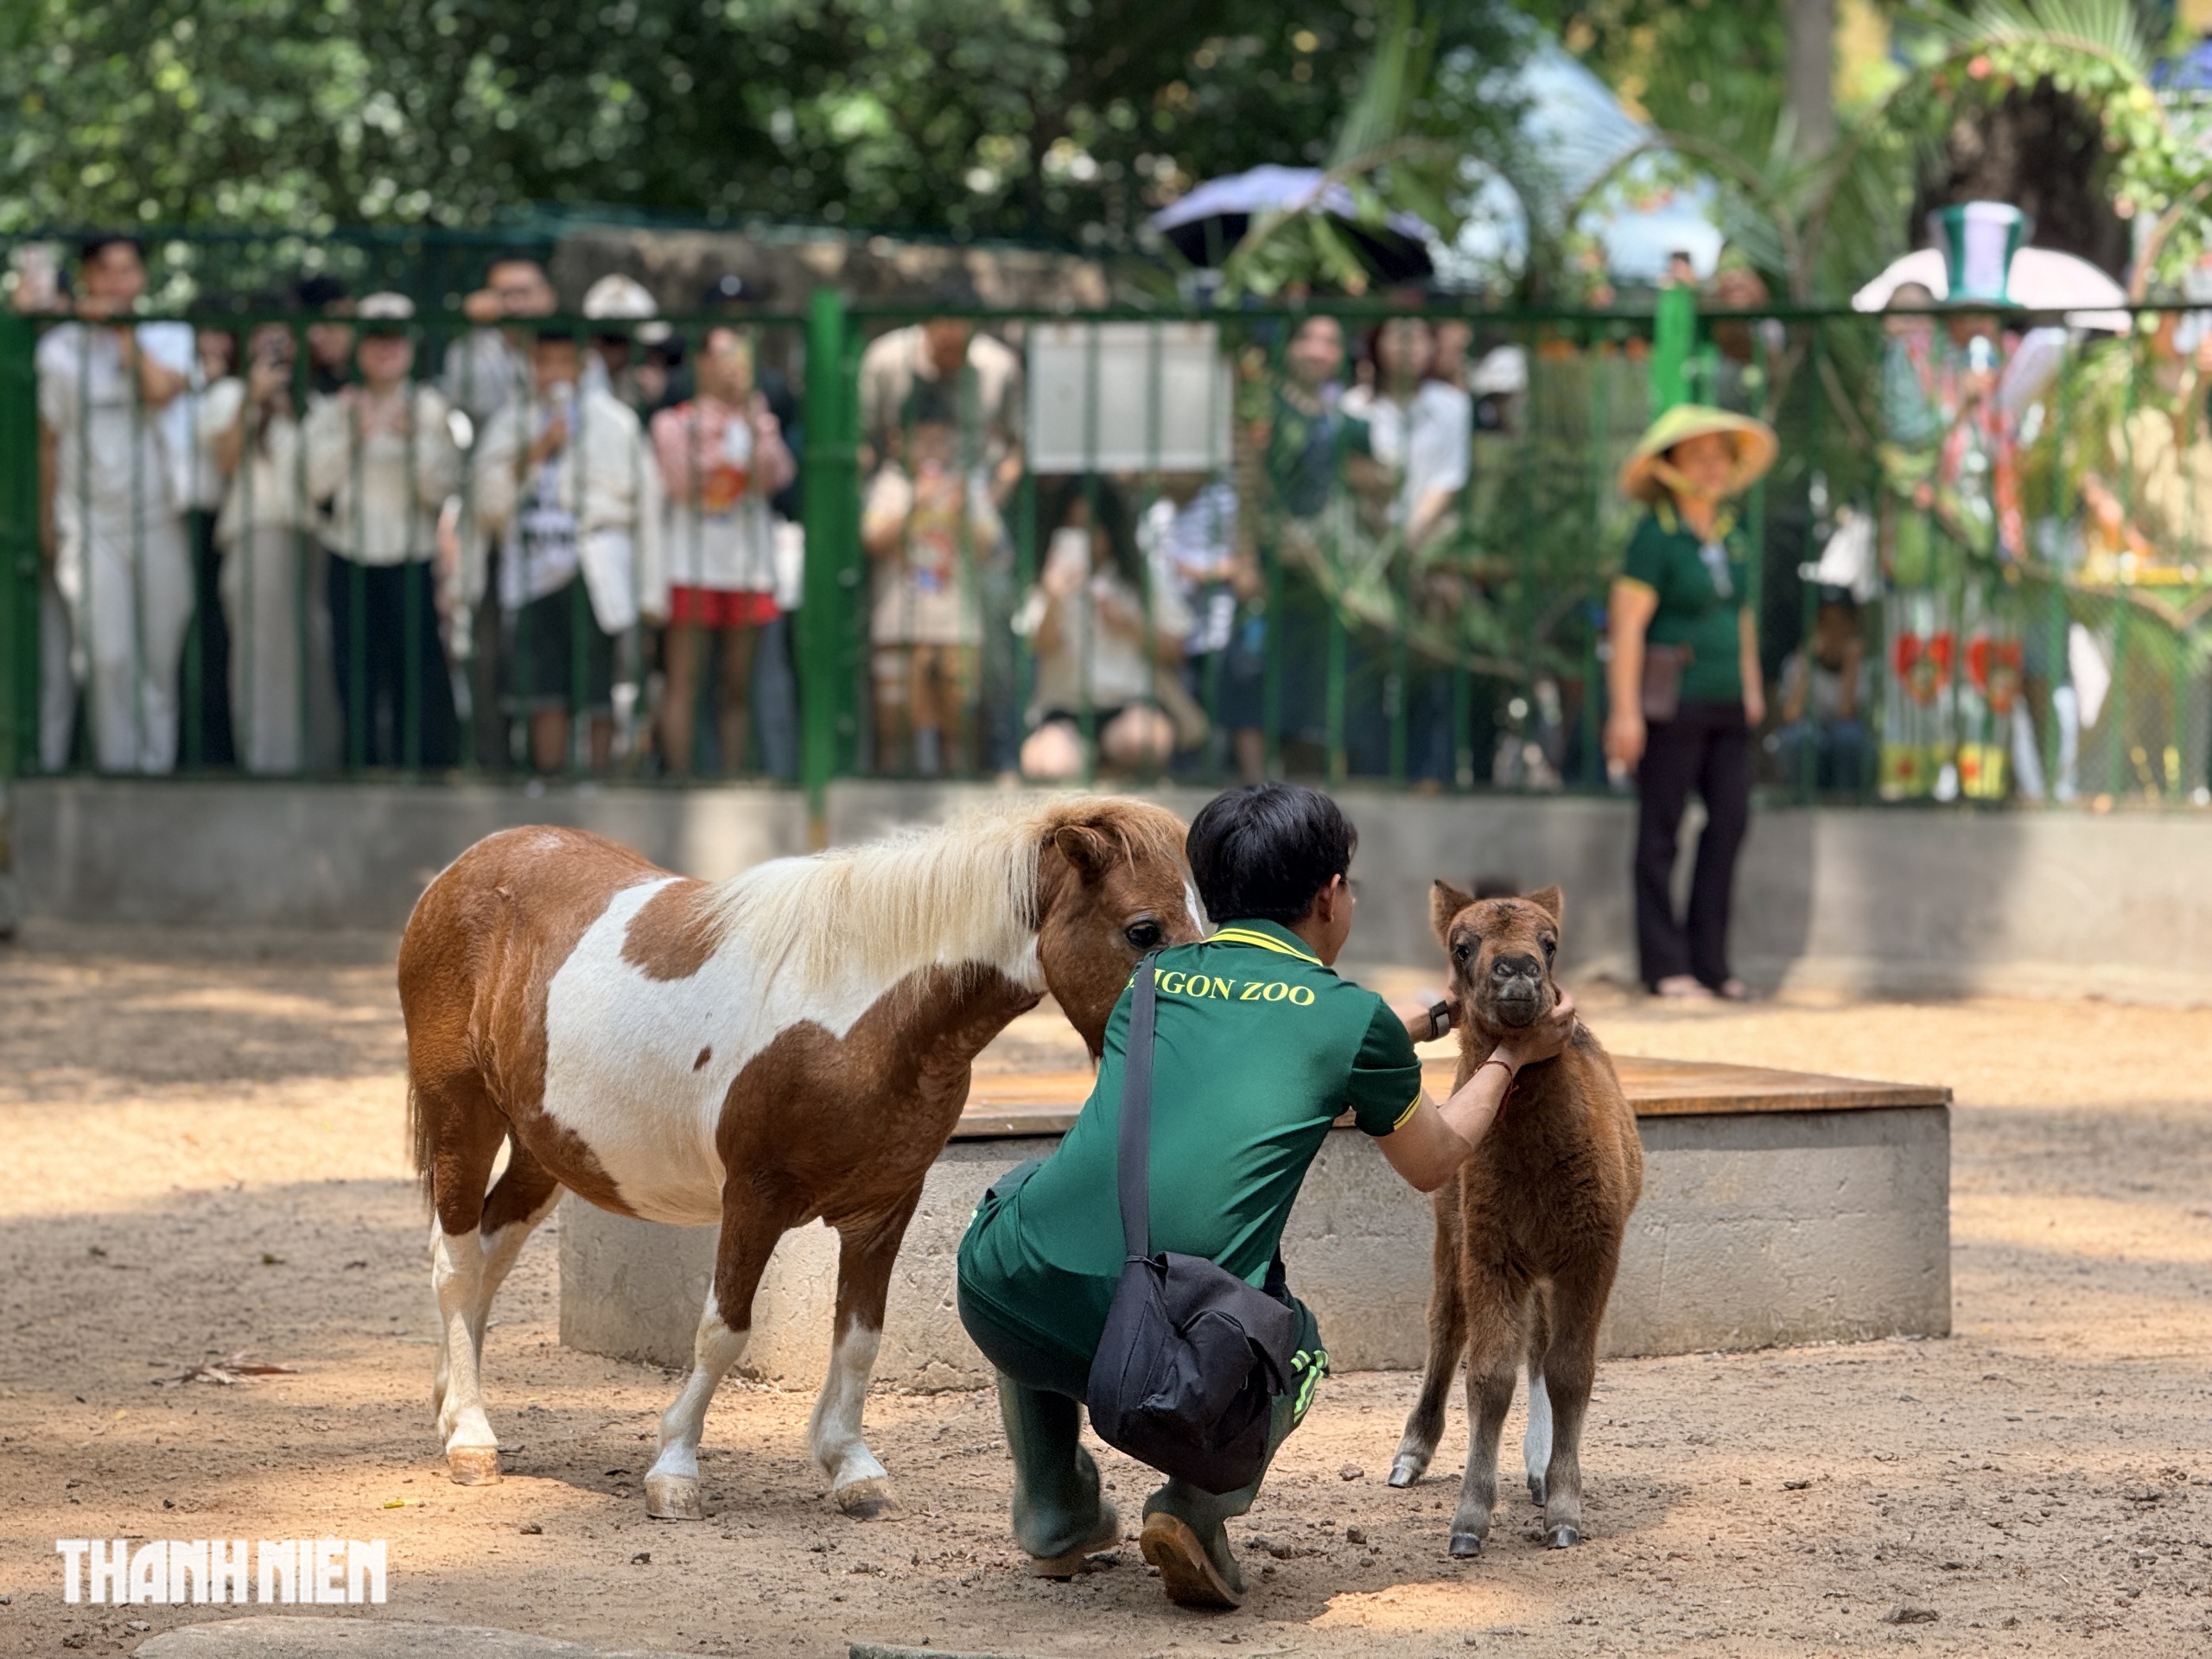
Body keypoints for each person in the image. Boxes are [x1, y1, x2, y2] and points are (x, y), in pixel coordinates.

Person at [956, 783, 1577, 1607]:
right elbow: (1436, 1158)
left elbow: (1272, 1028)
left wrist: (1434, 1016)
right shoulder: (1346, 1020)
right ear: (1328, 898)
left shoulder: (1151, 978)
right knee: (1300, 1348)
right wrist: (1511, 1057)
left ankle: (1056, 1513)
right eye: (1347, 884)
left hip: (1000, 1293)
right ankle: (1192, 1510)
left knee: (1035, 1218)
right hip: (1161, 1349)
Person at [1603, 404, 1777, 1001]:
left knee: (1729, 822)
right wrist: (1624, 712)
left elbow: (1742, 615)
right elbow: (1627, 627)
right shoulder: (1656, 535)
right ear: (1670, 466)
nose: (1711, 467)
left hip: (1727, 705)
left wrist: (1753, 688)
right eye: (1697, 456)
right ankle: (1664, 965)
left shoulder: (1733, 534)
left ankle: (1710, 961)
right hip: (1670, 704)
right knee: (1662, 832)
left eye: (1719, 455)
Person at [470, 327, 665, 774]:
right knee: (543, 687)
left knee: (598, 683)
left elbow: (648, 509)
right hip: (532, 573)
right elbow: (485, 504)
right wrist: (538, 449)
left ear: (582, 366)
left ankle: (596, 778)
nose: (554, 373)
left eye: (564, 362)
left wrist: (651, 594)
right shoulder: (510, 422)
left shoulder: (617, 423)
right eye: (544, 362)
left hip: (595, 571)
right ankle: (550, 778)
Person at [35, 234, 196, 772]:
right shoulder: (57, 350)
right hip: (88, 524)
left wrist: (123, 334)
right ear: (86, 278)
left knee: (158, 659)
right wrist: (47, 525)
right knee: (106, 658)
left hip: (159, 519)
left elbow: (158, 389)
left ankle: (155, 774)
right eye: (105, 272)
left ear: (142, 279)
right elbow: (48, 442)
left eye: (127, 271)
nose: (116, 284)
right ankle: (118, 774)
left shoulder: (169, 335)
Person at [304, 293, 464, 769]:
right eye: (375, 338)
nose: (385, 349)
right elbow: (313, 484)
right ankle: (363, 767)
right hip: (349, 553)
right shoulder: (335, 410)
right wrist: (355, 433)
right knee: (355, 673)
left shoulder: (432, 409)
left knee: (418, 673)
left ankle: (426, 768)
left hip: (410, 554)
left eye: (395, 338)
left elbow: (443, 486)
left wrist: (414, 438)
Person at [648, 327, 794, 777]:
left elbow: (778, 476)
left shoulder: (760, 420)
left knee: (736, 684)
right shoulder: (674, 423)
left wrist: (755, 430)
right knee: (685, 680)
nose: (737, 368)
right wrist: (721, 450)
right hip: (692, 567)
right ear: (703, 365)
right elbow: (684, 485)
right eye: (727, 357)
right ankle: (683, 778)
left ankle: (729, 779)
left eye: (744, 358)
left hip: (747, 569)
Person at [200, 318, 339, 773]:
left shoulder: (316, 402)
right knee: (263, 661)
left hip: (313, 539)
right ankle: (269, 767)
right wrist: (252, 399)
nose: (275, 346)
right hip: (258, 533)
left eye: (284, 336)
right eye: (263, 335)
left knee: (313, 656)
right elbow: (224, 461)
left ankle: (318, 765)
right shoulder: (228, 395)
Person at [859, 386, 999, 776]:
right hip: (898, 625)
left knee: (959, 729)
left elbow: (990, 548)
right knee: (895, 728)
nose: (934, 449)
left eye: (943, 439)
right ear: (897, 441)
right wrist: (916, 502)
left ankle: (960, 811)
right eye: (924, 439)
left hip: (958, 626)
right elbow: (872, 542)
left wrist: (964, 511)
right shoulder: (890, 485)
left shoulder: (967, 487)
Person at [1014, 477, 1191, 781]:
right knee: (1045, 764)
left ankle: (1108, 764)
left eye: (1091, 527)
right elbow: (1038, 646)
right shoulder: (1046, 581)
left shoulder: (1141, 579)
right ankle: (1091, 763)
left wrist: (1129, 625)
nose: (1083, 538)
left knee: (1146, 741)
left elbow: (1177, 650)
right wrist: (1053, 599)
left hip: (1128, 708)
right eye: (1073, 527)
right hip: (1064, 711)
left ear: (1111, 529)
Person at [1771, 589, 1872, 792]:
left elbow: (1846, 714)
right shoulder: (1797, 663)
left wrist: (1850, 667)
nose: (1833, 631)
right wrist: (1806, 664)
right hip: (1811, 739)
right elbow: (1792, 714)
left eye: (1840, 623)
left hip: (1840, 741)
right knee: (1797, 739)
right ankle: (1803, 798)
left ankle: (1845, 802)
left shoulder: (1860, 667)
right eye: (1825, 623)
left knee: (1849, 738)